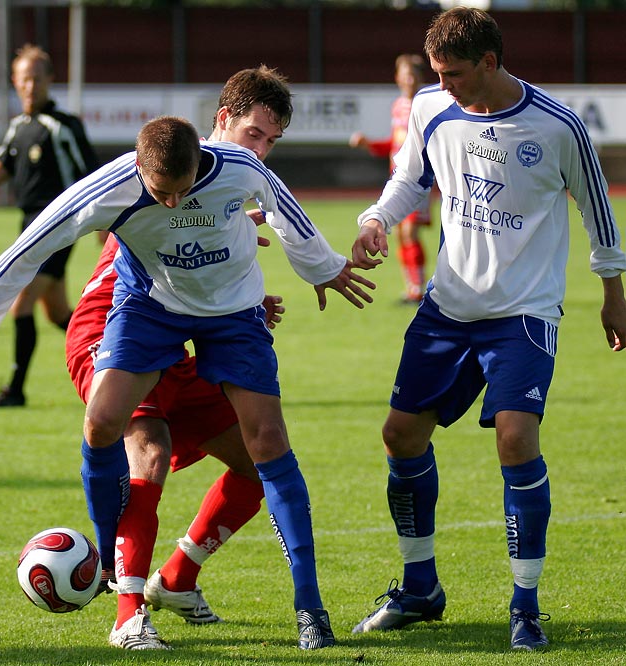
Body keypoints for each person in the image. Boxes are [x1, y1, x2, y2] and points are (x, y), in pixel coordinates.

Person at [0, 115, 376, 650]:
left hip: (230, 315)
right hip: (149, 313)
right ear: (140, 168)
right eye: (161, 193)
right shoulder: (108, 187)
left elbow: (287, 212)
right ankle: (117, 585)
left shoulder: (238, 168)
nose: (172, 204)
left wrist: (321, 266)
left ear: (201, 162)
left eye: (184, 191)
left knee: (267, 445)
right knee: (104, 423)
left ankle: (309, 608)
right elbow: (25, 251)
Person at [350, 7, 626, 652]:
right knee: (400, 434)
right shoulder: (430, 108)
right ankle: (420, 588)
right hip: (448, 309)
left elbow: (599, 212)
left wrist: (613, 293)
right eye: (436, 73)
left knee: (515, 440)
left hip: (524, 313)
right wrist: (374, 221)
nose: (442, 85)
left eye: (453, 74)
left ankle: (525, 605)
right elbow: (410, 181)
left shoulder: (558, 127)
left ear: (491, 63)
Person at [64, 65, 300, 650]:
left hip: (179, 338)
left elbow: (202, 258)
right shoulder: (160, 173)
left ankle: (176, 578)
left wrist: (236, 295)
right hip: (116, 330)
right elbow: (140, 243)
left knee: (254, 462)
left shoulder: (224, 186)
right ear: (221, 123)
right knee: (149, 452)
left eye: (271, 142)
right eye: (253, 136)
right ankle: (127, 617)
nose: (261, 152)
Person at [0, 43, 98, 407]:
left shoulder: (63, 127)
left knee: (20, 304)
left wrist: (104, 225)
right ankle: (113, 359)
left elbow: (92, 176)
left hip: (59, 226)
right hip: (28, 226)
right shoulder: (19, 127)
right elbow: (2, 168)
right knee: (58, 313)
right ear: (14, 81)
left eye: (37, 79)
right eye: (24, 80)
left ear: (50, 81)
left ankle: (16, 390)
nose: (30, 87)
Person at [350, 54, 432, 304]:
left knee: (409, 232)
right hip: (397, 179)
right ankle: (412, 287)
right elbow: (394, 145)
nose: (408, 79)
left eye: (413, 75)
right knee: (400, 235)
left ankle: (419, 288)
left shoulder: (424, 105)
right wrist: (369, 144)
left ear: (420, 78)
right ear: (397, 77)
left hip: (418, 180)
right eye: (404, 74)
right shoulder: (398, 106)